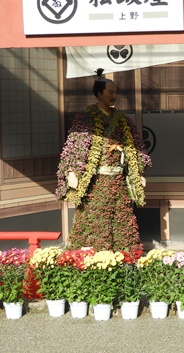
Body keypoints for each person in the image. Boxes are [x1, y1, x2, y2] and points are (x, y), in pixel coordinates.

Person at [55, 68, 152, 252]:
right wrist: (71, 172)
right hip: (96, 183)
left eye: (116, 92)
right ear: (99, 94)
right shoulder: (85, 119)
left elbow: (136, 147)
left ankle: (125, 254)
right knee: (95, 217)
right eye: (111, 92)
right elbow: (75, 146)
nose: (114, 96)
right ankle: (94, 256)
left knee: (122, 218)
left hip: (119, 181)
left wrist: (139, 172)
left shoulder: (123, 120)